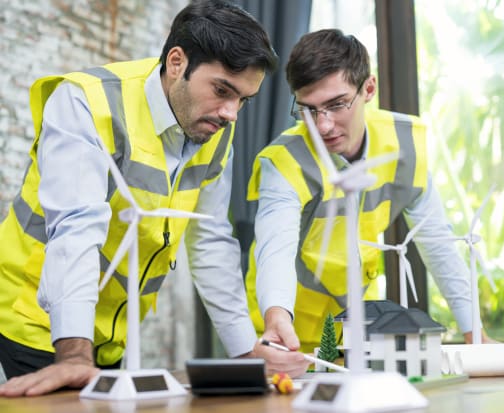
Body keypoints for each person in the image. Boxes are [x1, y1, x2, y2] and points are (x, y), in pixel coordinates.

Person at [0, 0, 303, 397]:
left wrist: (245, 352)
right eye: (222, 90)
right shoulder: (86, 102)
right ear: (176, 62)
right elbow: (76, 229)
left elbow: (210, 241)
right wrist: (75, 353)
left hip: (108, 340)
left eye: (243, 100)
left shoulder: (213, 129)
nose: (232, 113)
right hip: (33, 323)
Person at [245, 29, 493, 375]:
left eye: (336, 104)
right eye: (308, 110)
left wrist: (474, 334)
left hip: (359, 332)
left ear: (368, 89)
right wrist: (276, 320)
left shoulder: (404, 144)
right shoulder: (282, 161)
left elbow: (437, 242)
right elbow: (275, 249)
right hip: (282, 336)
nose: (323, 125)